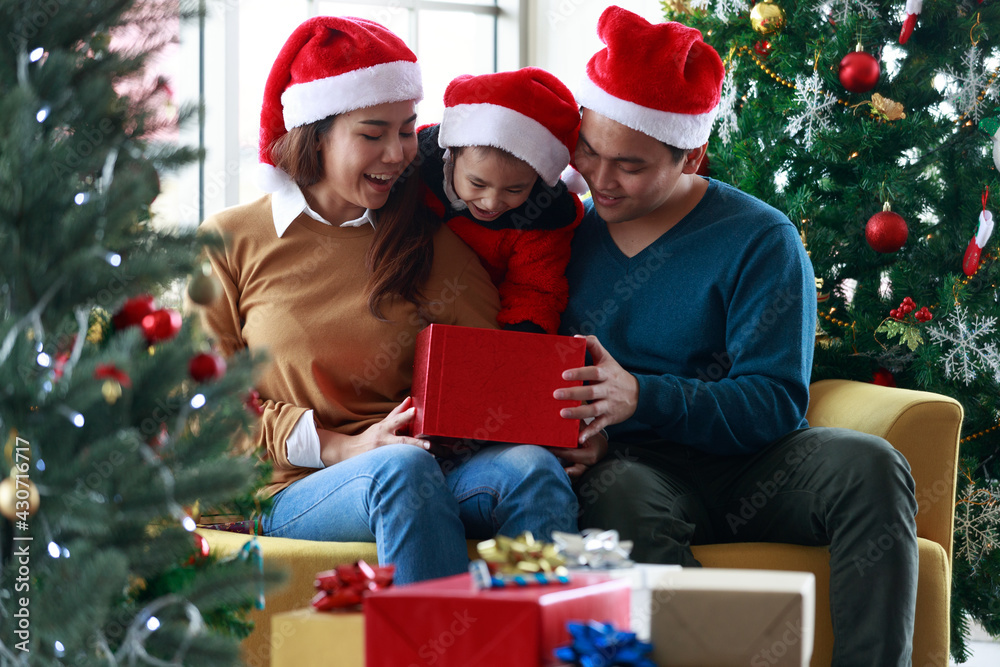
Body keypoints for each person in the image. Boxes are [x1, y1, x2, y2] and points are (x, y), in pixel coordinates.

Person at [551, 7, 918, 666]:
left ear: (690, 154)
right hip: (633, 467)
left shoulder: (759, 237)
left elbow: (775, 404)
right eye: (589, 152)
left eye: (629, 166)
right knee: (620, 497)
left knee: (871, 465)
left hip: (756, 462)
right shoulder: (562, 238)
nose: (600, 179)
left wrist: (644, 395)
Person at [198, 16, 577, 585]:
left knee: (532, 471)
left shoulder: (430, 242)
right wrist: (340, 446)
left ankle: (539, 645)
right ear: (315, 133)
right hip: (287, 487)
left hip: (424, 466)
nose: (399, 153)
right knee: (398, 468)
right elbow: (197, 406)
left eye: (408, 130)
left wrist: (568, 426)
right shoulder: (230, 241)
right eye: (373, 133)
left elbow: (499, 368)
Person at [417, 68, 584, 335]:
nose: (491, 202)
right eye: (477, 184)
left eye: (514, 189)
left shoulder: (544, 221)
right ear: (451, 157)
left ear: (537, 179)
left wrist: (521, 341)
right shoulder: (416, 169)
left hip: (481, 321)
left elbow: (535, 289)